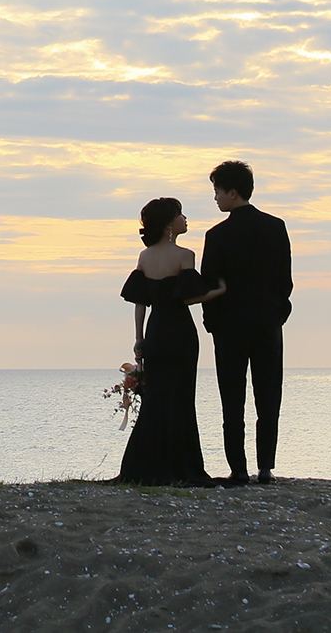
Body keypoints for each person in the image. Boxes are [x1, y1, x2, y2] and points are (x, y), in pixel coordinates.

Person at [114, 196, 226, 487]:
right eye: (180, 215)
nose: (185, 219)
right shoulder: (185, 255)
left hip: (155, 332)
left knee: (156, 400)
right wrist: (218, 292)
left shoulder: (145, 257)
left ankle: (146, 465)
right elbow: (189, 297)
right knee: (181, 399)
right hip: (180, 332)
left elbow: (140, 302)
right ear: (168, 225)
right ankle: (181, 465)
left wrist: (138, 339)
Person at [199, 160, 292, 485]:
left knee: (232, 399)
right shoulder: (276, 226)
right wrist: (278, 313)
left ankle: (238, 469)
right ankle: (265, 467)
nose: (215, 198)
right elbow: (285, 281)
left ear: (232, 192)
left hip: (229, 327)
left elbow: (210, 284)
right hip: (268, 324)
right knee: (269, 397)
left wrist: (212, 323)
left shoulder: (217, 235)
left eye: (217, 191)